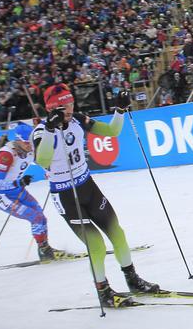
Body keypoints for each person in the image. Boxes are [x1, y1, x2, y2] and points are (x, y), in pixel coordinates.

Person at [32, 84, 158, 308]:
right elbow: (42, 160)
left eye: (71, 102)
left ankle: (133, 280)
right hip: (65, 194)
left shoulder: (77, 119)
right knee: (97, 245)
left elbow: (111, 132)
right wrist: (52, 130)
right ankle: (104, 291)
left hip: (87, 186)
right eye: (65, 104)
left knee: (116, 232)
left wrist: (119, 111)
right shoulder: (41, 131)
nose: (71, 107)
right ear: (54, 108)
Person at [0, 122, 66, 261]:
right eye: (26, 143)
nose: (30, 147)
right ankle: (45, 251)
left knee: (40, 216)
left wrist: (49, 171)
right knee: (35, 217)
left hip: (18, 191)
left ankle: (44, 249)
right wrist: (19, 182)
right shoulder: (6, 154)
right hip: (2, 195)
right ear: (17, 140)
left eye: (31, 143)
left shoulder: (29, 148)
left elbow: (42, 161)